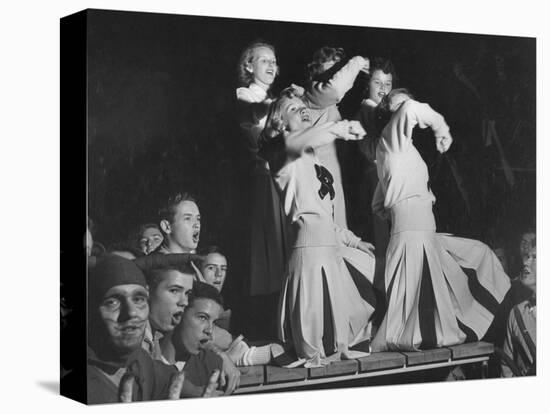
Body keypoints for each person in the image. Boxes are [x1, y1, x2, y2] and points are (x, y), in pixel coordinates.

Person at [369, 89, 511, 351]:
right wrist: (441, 129)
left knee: (478, 254)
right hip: (414, 229)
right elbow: (412, 109)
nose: (404, 110)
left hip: (420, 227)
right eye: (398, 106)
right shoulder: (391, 138)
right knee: (417, 313)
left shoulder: (399, 148)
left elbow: (378, 203)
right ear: (390, 111)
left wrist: (403, 210)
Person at [261, 88, 377, 367]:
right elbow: (303, 139)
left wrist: (353, 241)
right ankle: (248, 356)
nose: (301, 109)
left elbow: (326, 215)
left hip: (330, 253)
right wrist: (339, 128)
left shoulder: (314, 160)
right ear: (279, 124)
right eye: (291, 109)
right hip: (310, 255)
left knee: (335, 347)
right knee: (311, 350)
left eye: (303, 106)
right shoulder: (281, 152)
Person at [64, 255, 217, 403]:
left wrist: (199, 394)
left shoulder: (139, 361)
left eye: (138, 299)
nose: (131, 312)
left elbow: (167, 377)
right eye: (113, 302)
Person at [236, 41, 289, 339]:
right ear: (248, 66)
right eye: (264, 60)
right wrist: (279, 105)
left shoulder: (270, 98)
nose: (271, 66)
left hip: (280, 179)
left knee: (281, 252)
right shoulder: (244, 96)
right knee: (266, 253)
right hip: (261, 181)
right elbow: (254, 134)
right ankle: (262, 329)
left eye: (274, 61)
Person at [141, 259, 240, 395]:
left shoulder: (212, 365)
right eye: (202, 317)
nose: (209, 330)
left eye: (214, 322)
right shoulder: (142, 343)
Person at [303, 46, 370, 229]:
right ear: (316, 70)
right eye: (331, 69)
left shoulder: (328, 103)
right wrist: (357, 61)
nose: (336, 74)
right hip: (317, 177)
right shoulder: (311, 93)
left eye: (338, 70)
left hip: (333, 175)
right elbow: (335, 89)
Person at [501, 237, 536, 377]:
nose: (526, 262)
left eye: (535, 257)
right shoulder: (517, 313)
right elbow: (507, 366)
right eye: (527, 257)